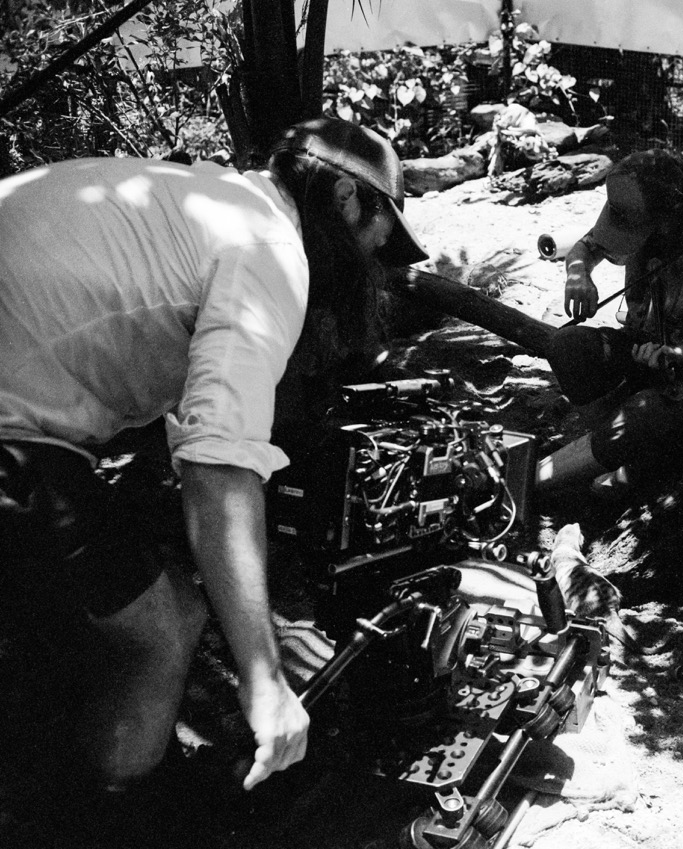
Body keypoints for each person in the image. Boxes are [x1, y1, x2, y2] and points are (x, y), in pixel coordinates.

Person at [0, 117, 429, 836]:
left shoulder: (202, 201)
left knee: (93, 609)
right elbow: (217, 467)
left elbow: (158, 404)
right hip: (13, 436)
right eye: (379, 241)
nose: (375, 265)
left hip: (25, 414)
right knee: (165, 627)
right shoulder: (269, 251)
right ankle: (99, 826)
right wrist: (265, 679)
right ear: (349, 200)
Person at [535, 148, 683, 496]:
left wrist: (681, 354)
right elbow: (587, 247)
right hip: (648, 346)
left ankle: (622, 458)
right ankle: (612, 448)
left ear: (667, 218)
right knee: (567, 345)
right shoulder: (636, 205)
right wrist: (578, 274)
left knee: (644, 414)